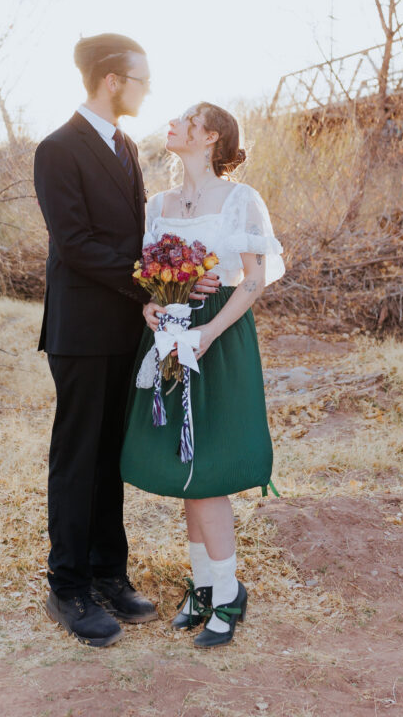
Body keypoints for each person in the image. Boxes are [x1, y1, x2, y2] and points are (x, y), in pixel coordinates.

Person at [33, 35, 219, 648]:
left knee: (110, 453)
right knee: (77, 456)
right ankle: (67, 586)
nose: (148, 90)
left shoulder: (126, 146)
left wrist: (179, 276)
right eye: (142, 79)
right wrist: (151, 282)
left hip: (127, 324)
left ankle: (108, 572)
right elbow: (75, 244)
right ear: (112, 80)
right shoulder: (57, 148)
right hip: (81, 329)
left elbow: (137, 235)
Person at [120, 103, 284, 648]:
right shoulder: (159, 204)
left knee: (208, 470)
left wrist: (209, 332)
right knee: (185, 467)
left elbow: (253, 280)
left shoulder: (241, 200)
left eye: (187, 118)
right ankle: (205, 586)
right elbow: (149, 278)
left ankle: (229, 593)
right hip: (167, 335)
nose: (173, 122)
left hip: (219, 339)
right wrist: (150, 308)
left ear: (210, 136)